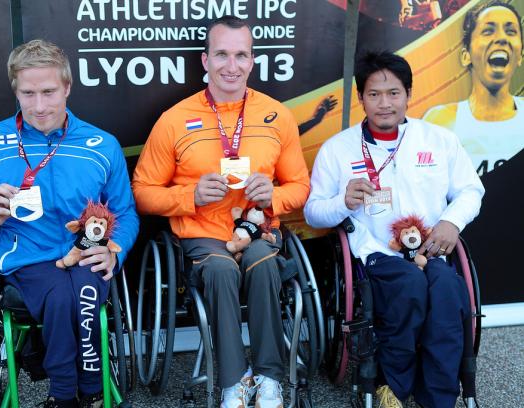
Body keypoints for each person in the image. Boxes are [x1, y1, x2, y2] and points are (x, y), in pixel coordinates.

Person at [0, 39, 139, 408]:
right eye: (27, 93)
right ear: (15, 91)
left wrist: (116, 250)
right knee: (60, 295)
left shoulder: (102, 144)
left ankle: (92, 389)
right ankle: (65, 395)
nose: (39, 106)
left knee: (81, 293)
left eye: (48, 92)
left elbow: (125, 213)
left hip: (85, 252)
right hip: (26, 258)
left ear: (67, 87)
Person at [132, 15, 310, 408]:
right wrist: (189, 196)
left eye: (241, 55)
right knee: (220, 269)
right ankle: (233, 381)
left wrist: (274, 197)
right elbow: (142, 193)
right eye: (222, 55)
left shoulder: (277, 115)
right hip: (202, 235)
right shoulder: (174, 119)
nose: (232, 66)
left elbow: (300, 187)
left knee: (264, 266)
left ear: (252, 60)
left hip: (259, 230)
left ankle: (268, 379)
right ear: (205, 60)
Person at [304, 51, 484, 408]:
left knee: (449, 291)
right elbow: (312, 213)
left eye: (393, 93)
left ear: (408, 94)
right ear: (361, 98)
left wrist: (451, 222)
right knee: (409, 286)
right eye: (374, 94)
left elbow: (470, 190)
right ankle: (394, 387)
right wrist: (344, 202)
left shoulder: (438, 140)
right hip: (376, 255)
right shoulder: (337, 150)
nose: (384, 104)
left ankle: (439, 397)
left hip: (431, 250)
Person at [423, 0, 523, 177]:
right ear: (465, 56)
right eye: (487, 31)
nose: (501, 38)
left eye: (510, 31)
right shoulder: (439, 123)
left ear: (520, 56)